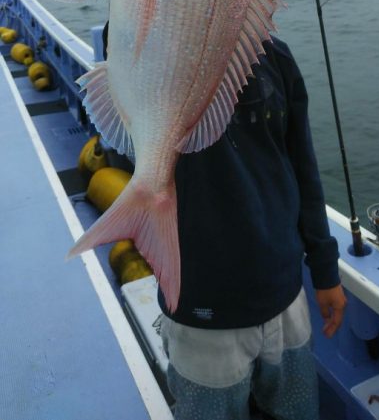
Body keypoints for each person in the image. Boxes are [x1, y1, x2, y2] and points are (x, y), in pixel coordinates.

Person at [102, 25, 346, 420]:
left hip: (285, 295)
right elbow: (123, 44)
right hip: (201, 310)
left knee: (297, 410)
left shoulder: (275, 55)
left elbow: (303, 166)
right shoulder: (146, 52)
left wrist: (324, 270)